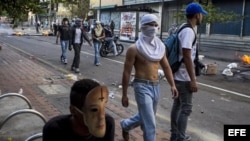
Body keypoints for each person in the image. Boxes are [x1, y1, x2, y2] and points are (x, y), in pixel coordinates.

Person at [120, 14, 178, 141]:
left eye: (156, 25)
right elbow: (126, 72)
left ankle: (125, 125)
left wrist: (172, 85)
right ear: (143, 27)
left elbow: (167, 67)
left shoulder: (160, 48)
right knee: (150, 123)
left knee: (145, 117)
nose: (154, 28)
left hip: (156, 86)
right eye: (151, 25)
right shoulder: (134, 49)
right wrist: (124, 94)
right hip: (141, 86)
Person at [169, 2, 207, 141]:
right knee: (186, 108)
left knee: (178, 105)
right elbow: (186, 56)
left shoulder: (183, 28)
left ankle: (175, 135)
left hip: (178, 74)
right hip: (183, 76)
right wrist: (193, 80)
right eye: (201, 14)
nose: (202, 16)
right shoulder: (188, 31)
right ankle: (180, 137)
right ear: (197, 15)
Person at [43, 78, 115, 141]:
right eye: (94, 110)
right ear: (73, 111)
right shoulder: (54, 130)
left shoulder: (108, 124)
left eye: (103, 107)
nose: (101, 116)